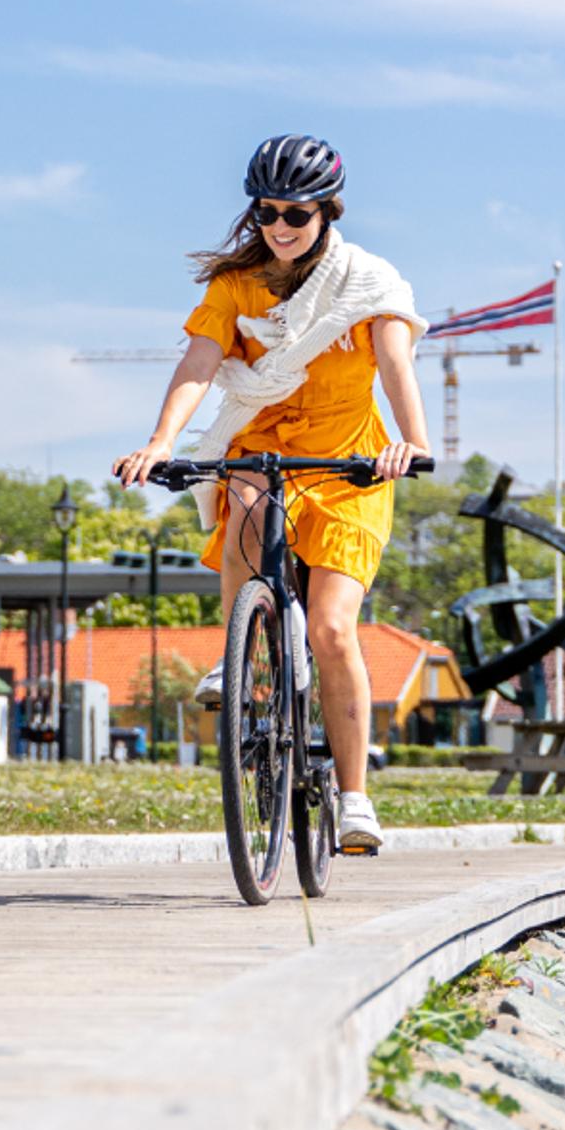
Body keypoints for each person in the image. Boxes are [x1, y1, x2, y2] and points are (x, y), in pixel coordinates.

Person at [111, 134, 434, 855]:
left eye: (296, 213)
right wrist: (161, 441)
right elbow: (199, 362)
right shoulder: (236, 285)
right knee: (248, 493)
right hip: (262, 442)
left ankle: (354, 800)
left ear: (326, 212)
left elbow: (393, 361)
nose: (280, 226)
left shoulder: (366, 281)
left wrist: (410, 441)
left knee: (331, 630)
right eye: (267, 212)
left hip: (349, 465)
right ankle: (237, 651)